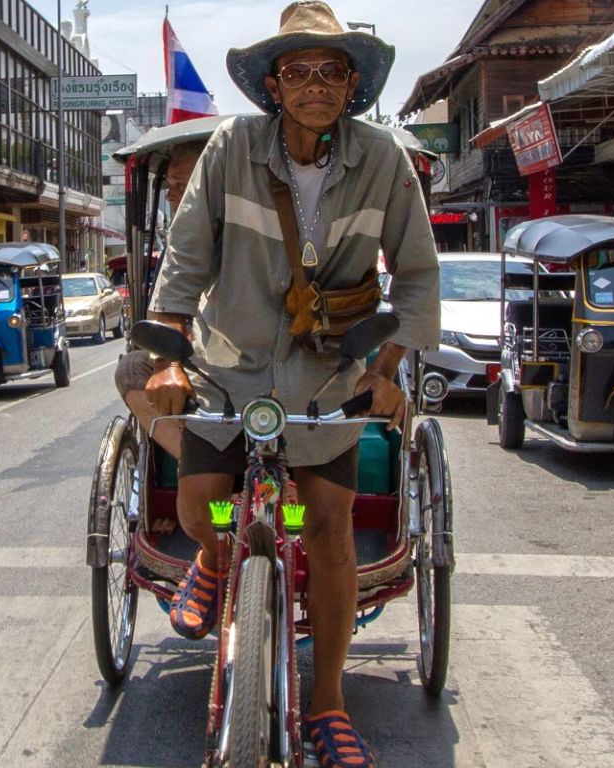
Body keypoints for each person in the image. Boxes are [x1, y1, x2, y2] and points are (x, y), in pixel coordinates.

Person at [143, 4, 438, 764]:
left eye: (331, 69)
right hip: (229, 366)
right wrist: (170, 354)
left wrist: (385, 372)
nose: (315, 84)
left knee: (327, 523)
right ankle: (216, 560)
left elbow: (415, 275)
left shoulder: (383, 160)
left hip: (328, 377)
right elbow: (185, 259)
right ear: (273, 85)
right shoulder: (230, 148)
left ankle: (329, 702)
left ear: (352, 84)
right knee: (204, 507)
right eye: (298, 70)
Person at [114, 140, 204, 458]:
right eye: (169, 185)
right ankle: (191, 458)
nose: (170, 195)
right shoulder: (177, 242)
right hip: (191, 352)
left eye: (180, 185)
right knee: (131, 369)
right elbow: (160, 313)